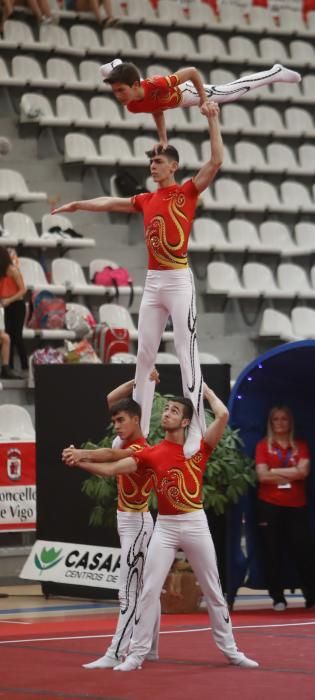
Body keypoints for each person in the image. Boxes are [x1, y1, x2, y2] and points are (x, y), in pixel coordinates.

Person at [53, 103, 223, 458]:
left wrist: (212, 118)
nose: (152, 165)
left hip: (178, 279)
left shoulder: (187, 191)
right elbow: (109, 202)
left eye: (158, 161)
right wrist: (78, 206)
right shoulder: (146, 198)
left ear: (173, 166)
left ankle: (195, 429)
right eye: (150, 162)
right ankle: (139, 430)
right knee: (144, 354)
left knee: (184, 352)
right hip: (155, 282)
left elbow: (216, 161)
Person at [74, 383, 259, 672]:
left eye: (174, 411)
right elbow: (112, 464)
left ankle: (232, 651)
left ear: (186, 421)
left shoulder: (199, 449)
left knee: (212, 589)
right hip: (166, 527)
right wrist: (82, 459)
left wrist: (203, 390)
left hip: (195, 523)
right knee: (148, 589)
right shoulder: (152, 453)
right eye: (167, 410)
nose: (167, 413)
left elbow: (222, 416)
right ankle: (137, 655)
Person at [62, 371, 160, 668]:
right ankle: (151, 648)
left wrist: (79, 457)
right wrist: (139, 380)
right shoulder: (123, 437)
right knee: (144, 588)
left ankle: (115, 652)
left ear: (135, 420)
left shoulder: (141, 449)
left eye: (121, 420)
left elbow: (107, 464)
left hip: (138, 523)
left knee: (128, 590)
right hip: (127, 520)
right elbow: (110, 400)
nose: (116, 425)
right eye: (115, 421)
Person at [100, 59, 301, 147]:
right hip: (176, 100)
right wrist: (163, 139)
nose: (117, 96)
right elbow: (156, 109)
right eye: (115, 91)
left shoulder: (157, 84)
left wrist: (204, 100)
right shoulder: (133, 105)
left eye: (121, 90)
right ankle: (116, 65)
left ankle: (275, 72)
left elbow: (192, 72)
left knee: (230, 92)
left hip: (188, 91)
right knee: (230, 94)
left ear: (135, 85)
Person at [256, 405, 315, 611]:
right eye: (276, 419)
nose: (280, 423)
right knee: (272, 553)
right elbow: (262, 476)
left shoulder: (301, 445)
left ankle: (311, 596)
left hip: (297, 506)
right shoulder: (264, 446)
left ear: (290, 422)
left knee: (303, 552)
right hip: (269, 506)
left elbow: (303, 473)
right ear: (271, 423)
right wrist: (292, 471)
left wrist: (275, 471)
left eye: (284, 419)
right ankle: (278, 597)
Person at [0, 247, 27, 376]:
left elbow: (23, 290)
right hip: (6, 306)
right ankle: (8, 367)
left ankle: (25, 366)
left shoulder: (13, 270)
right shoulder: (2, 272)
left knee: (17, 336)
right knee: (8, 336)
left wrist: (9, 300)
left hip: (17, 305)